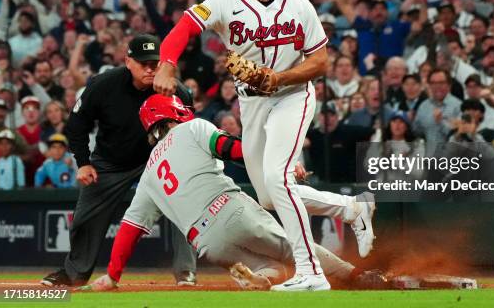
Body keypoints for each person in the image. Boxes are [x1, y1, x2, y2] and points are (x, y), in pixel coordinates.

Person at [153, 0, 375, 291]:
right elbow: (184, 27)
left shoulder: (298, 3)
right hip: (252, 104)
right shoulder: (225, 2)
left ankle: (311, 272)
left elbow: (320, 61)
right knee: (270, 196)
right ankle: (352, 209)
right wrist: (166, 66)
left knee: (278, 179)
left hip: (293, 96)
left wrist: (281, 77)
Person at [76, 94, 387, 292]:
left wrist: (113, 275)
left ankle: (257, 277)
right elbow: (234, 149)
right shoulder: (193, 128)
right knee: (295, 250)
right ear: (173, 113)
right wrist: (279, 163)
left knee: (272, 270)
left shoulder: (148, 176)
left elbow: (130, 229)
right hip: (230, 209)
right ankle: (356, 275)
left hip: (208, 244)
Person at [41, 35, 197, 288]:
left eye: (155, 63)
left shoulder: (176, 90)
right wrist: (83, 162)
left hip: (159, 160)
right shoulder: (103, 85)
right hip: (112, 161)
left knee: (184, 203)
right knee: (84, 216)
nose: (150, 68)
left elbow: (191, 131)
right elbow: (77, 124)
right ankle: (74, 274)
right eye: (143, 63)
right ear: (128, 61)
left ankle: (186, 272)